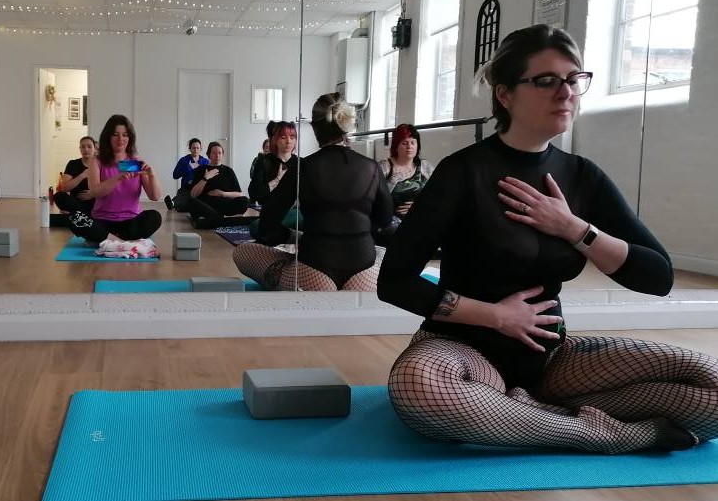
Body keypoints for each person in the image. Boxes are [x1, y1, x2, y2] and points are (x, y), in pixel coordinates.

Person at [377, 24, 718, 454]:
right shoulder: (463, 171)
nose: (566, 93)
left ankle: (526, 416)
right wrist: (497, 316)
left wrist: (574, 228)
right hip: (460, 352)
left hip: (552, 360)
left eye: (574, 80)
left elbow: (658, 277)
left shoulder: (583, 177)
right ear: (504, 94)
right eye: (546, 81)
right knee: (418, 387)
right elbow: (394, 281)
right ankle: (607, 434)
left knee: (712, 388)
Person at [233, 93, 393, 291]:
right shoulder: (372, 167)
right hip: (363, 274)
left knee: (242, 252)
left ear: (314, 127)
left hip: (314, 273)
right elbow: (385, 220)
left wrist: (293, 238)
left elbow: (267, 224)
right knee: (380, 253)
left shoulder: (302, 167)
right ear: (347, 126)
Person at [65, 114, 163, 245]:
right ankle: (118, 240)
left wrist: (152, 174)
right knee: (74, 218)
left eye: (125, 135)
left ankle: (107, 239)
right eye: (116, 134)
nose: (121, 139)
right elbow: (95, 191)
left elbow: (155, 196)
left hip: (130, 221)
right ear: (108, 137)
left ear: (130, 137)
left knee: (155, 217)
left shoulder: (136, 161)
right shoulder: (97, 160)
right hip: (103, 220)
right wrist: (118, 178)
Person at [375, 124, 435, 246]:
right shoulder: (385, 167)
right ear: (396, 145)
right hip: (390, 221)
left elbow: (438, 195)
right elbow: (374, 198)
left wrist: (419, 206)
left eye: (413, 143)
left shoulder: (425, 167)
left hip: (419, 217)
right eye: (404, 143)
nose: (409, 147)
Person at [188, 141, 250, 222]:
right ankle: (220, 216)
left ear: (223, 155)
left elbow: (239, 194)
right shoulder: (201, 169)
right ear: (209, 155)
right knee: (192, 202)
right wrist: (205, 178)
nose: (217, 156)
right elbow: (193, 194)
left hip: (224, 202)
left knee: (245, 201)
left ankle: (214, 216)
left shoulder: (228, 171)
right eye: (214, 153)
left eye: (220, 153)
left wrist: (222, 194)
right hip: (207, 203)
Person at [54, 136, 97, 216]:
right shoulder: (73, 164)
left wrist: (93, 194)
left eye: (89, 146)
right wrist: (82, 175)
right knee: (58, 195)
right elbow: (65, 188)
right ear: (80, 149)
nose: (86, 149)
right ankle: (82, 215)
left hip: (94, 202)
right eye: (83, 147)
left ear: (95, 149)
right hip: (76, 203)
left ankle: (75, 215)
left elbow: (105, 187)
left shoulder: (100, 164)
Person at [164, 138, 209, 212]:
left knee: (191, 201)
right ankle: (172, 203)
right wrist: (188, 168)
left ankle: (176, 203)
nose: (196, 150)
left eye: (198, 148)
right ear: (190, 149)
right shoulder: (183, 160)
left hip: (200, 188)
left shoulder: (205, 161)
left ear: (201, 149)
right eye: (193, 148)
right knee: (185, 196)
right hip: (186, 187)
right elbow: (175, 175)